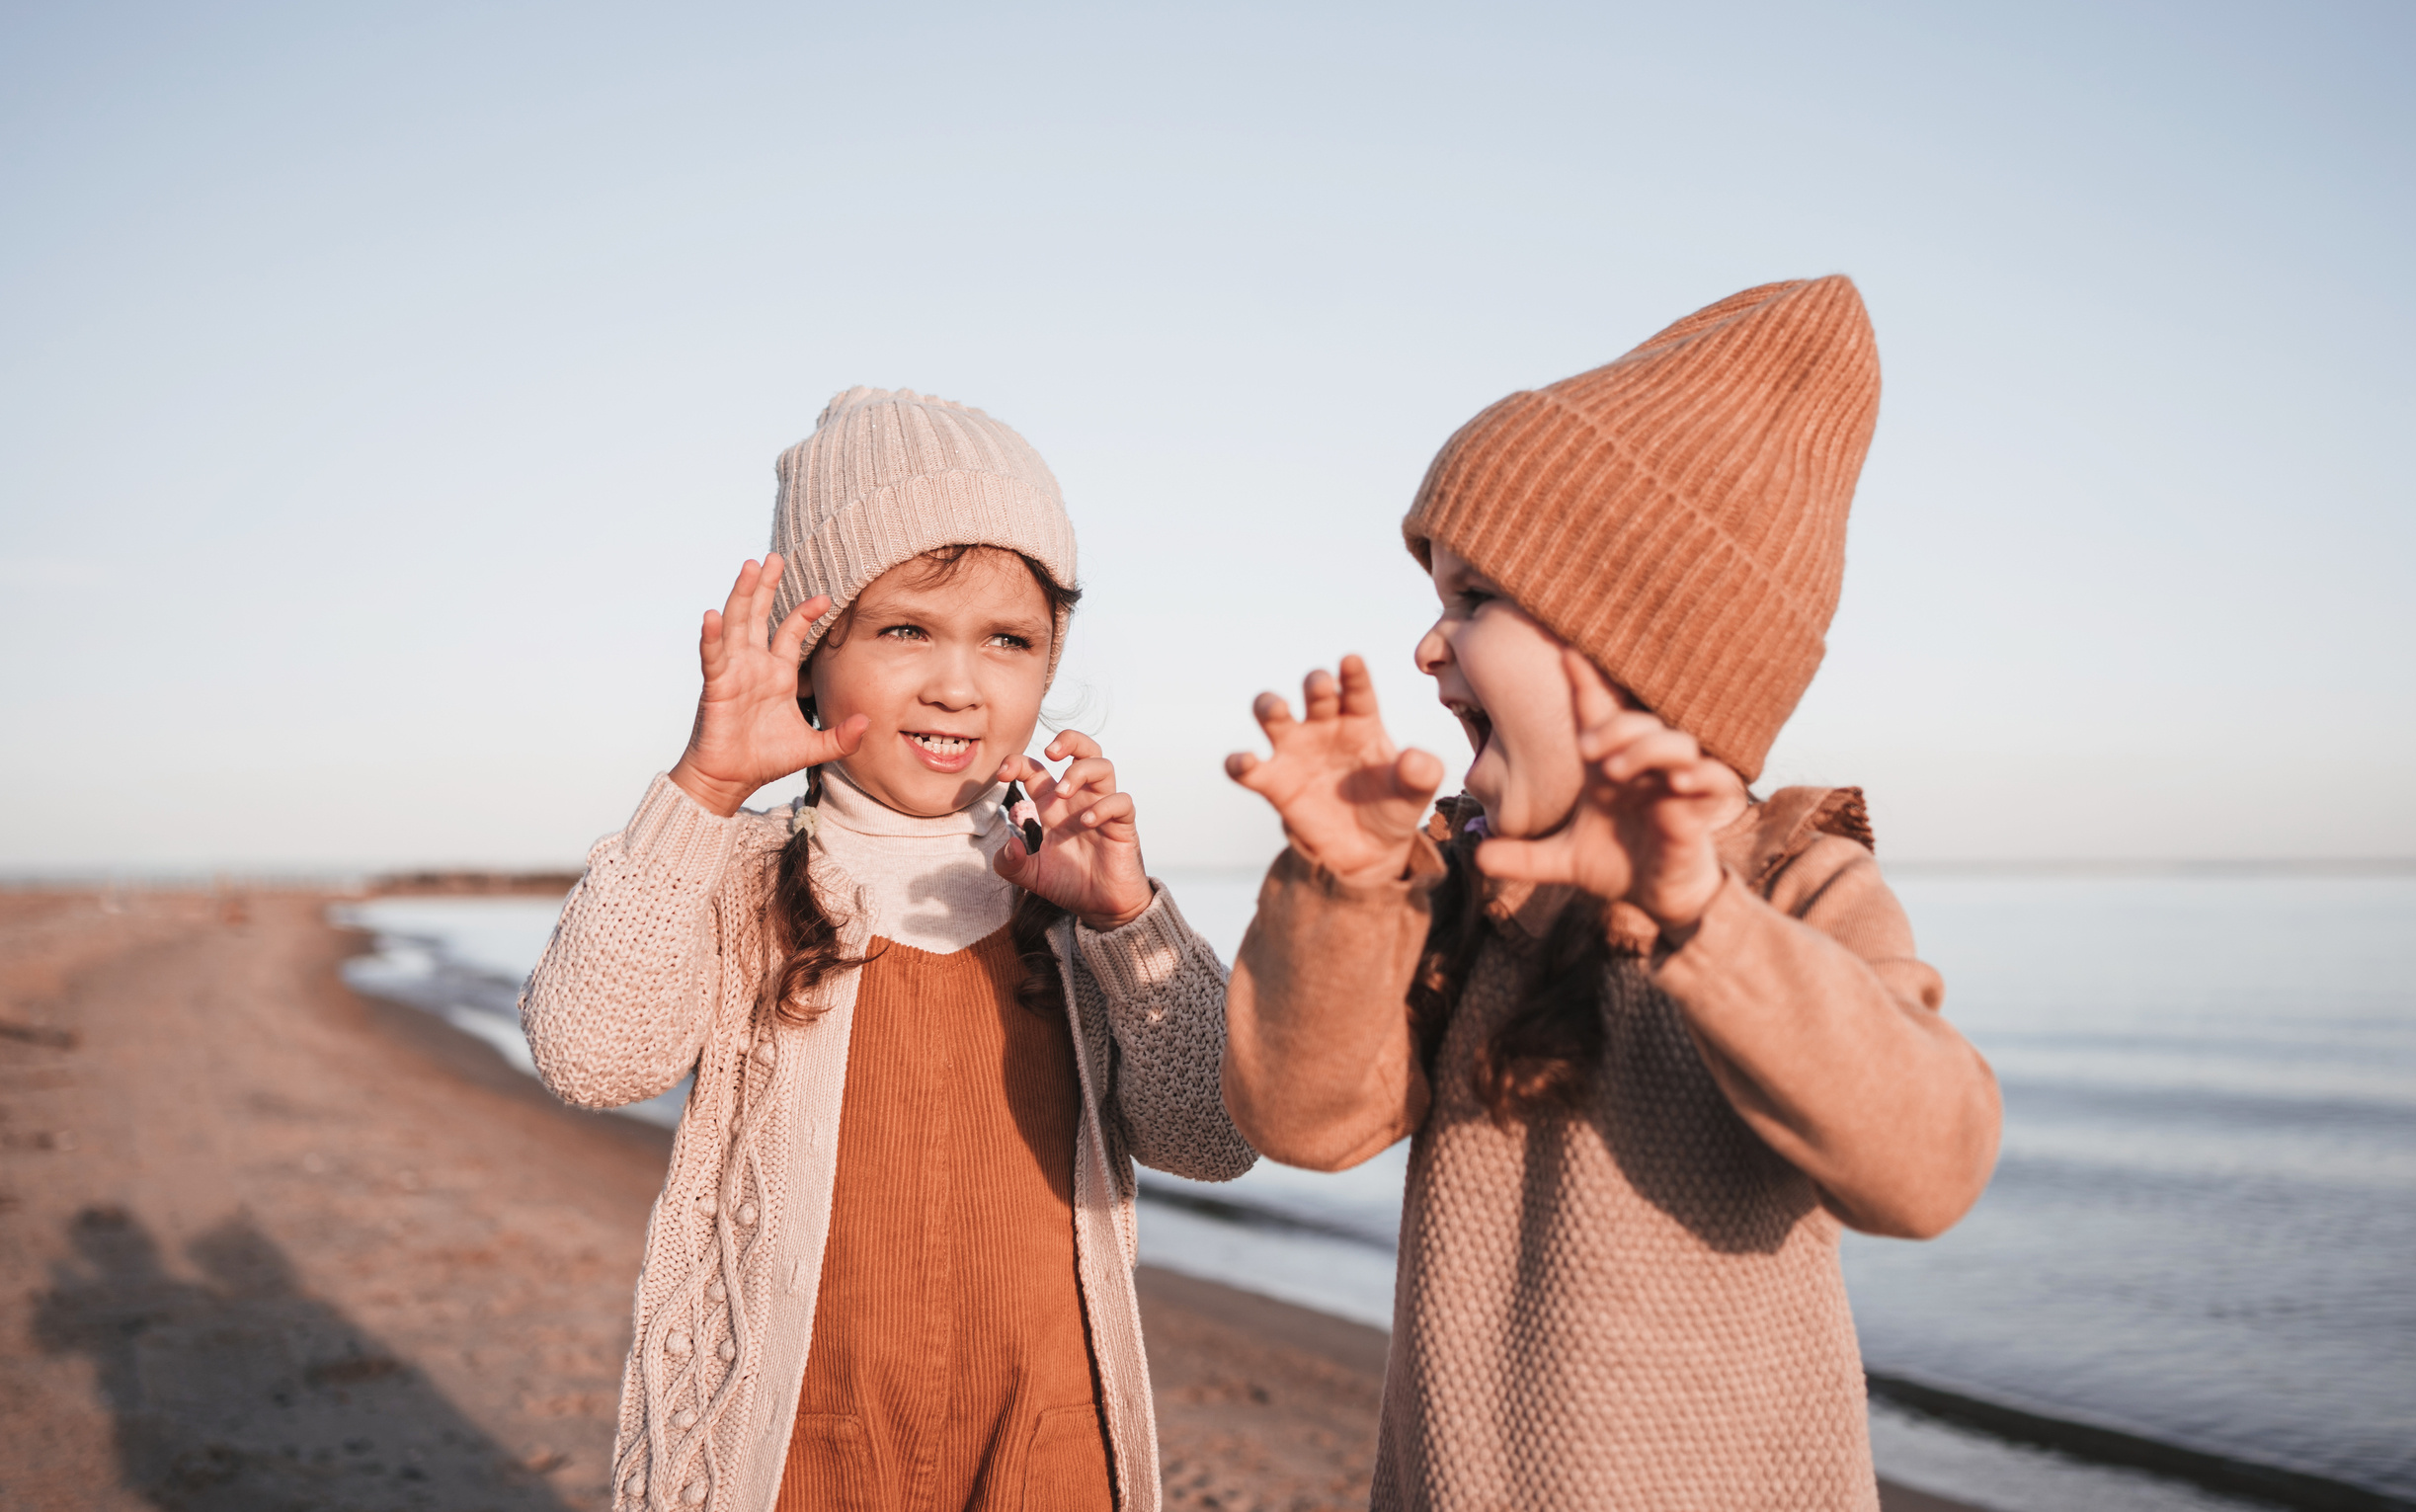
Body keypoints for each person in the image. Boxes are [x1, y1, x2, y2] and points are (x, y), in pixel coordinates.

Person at [1221, 277, 2003, 1509]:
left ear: (1633, 646)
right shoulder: (1461, 885)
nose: (1429, 645)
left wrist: (1702, 920)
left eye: (1473, 601)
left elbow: (1927, 1166)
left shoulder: (1791, 880)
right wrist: (1346, 883)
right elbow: (1304, 1120)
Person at [523, 389, 1254, 1512]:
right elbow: (592, 1055)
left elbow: (1212, 1136)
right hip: (789, 1446)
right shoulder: (737, 878)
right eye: (906, 628)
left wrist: (1127, 919)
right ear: (811, 654)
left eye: (1007, 641)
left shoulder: (1073, 904)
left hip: (1044, 1448)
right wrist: (705, 789)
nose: (958, 682)